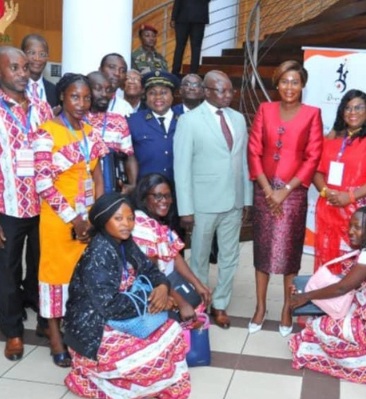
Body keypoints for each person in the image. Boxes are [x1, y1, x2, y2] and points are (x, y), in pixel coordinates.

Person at [0, 46, 52, 360]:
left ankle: (45, 319)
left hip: (45, 207)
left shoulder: (43, 109)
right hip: (6, 209)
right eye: (13, 67)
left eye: (25, 67)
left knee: (43, 269)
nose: (22, 74)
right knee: (5, 273)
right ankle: (13, 331)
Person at [64, 193, 191, 399]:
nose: (127, 224)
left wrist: (161, 288)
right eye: (119, 219)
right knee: (146, 358)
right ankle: (100, 378)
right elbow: (109, 306)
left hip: (122, 316)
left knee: (173, 331)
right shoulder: (98, 253)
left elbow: (151, 270)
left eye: (130, 218)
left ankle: (144, 386)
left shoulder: (125, 242)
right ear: (103, 221)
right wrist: (153, 301)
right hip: (94, 330)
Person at [34, 73, 108, 367]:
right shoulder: (45, 133)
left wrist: (96, 218)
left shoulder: (92, 132)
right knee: (55, 278)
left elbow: (98, 177)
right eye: (75, 96)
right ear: (62, 96)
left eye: (87, 97)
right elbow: (43, 184)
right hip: (58, 220)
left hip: (88, 220)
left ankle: (80, 331)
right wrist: (75, 220)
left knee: (84, 280)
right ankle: (55, 338)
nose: (82, 103)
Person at [289, 206, 366, 383]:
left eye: (357, 227)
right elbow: (345, 285)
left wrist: (305, 296)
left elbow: (342, 288)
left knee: (318, 327)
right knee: (325, 320)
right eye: (350, 226)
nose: (350, 231)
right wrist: (306, 290)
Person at [247, 60, 323, 336]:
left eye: (295, 82)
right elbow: (253, 150)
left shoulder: (312, 114)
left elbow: (313, 156)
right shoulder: (265, 110)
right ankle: (260, 307)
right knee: (263, 252)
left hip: (293, 194)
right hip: (265, 190)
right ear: (277, 85)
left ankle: (287, 308)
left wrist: (285, 190)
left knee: (289, 255)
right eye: (284, 82)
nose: (289, 87)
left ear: (302, 85)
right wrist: (268, 190)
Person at [174, 70, 252, 329]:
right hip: (203, 204)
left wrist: (247, 198)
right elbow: (181, 167)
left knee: (230, 257)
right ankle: (199, 304)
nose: (228, 95)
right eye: (222, 91)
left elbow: (242, 161)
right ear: (207, 92)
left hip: (234, 202)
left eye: (230, 90)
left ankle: (220, 304)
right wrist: (186, 209)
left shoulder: (238, 119)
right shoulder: (190, 121)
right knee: (199, 258)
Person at [313, 89, 366, 274]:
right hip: (327, 208)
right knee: (326, 262)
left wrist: (350, 196)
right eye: (348, 108)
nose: (353, 112)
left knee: (351, 265)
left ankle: (348, 301)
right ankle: (324, 300)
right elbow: (317, 171)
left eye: (359, 107)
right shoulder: (332, 139)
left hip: (357, 212)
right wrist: (325, 192)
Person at [131, 173, 212, 310]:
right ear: (144, 198)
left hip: (167, 281)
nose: (164, 201)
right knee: (192, 316)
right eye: (157, 196)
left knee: (196, 302)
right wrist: (181, 303)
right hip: (149, 291)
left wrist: (198, 284)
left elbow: (174, 255)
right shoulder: (142, 225)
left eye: (168, 196)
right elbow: (151, 274)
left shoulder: (157, 221)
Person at [86, 71, 137, 194]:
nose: (104, 94)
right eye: (98, 89)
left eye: (108, 90)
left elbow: (129, 155)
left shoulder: (119, 120)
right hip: (79, 190)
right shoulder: (75, 120)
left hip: (111, 189)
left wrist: (132, 184)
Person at [128, 70, 181, 181]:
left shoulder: (184, 121)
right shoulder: (133, 121)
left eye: (163, 92)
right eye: (152, 93)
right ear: (145, 96)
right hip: (145, 191)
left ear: (172, 95)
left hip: (178, 191)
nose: (158, 97)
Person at [171, 0, 210, 75]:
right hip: (199, 16)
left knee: (180, 47)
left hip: (182, 16)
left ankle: (175, 72)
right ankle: (194, 73)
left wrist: (173, 17)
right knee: (196, 48)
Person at [21, 34, 56, 107]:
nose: (37, 58)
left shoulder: (55, 91)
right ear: (21, 54)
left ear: (47, 57)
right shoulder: (11, 86)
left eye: (42, 54)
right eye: (31, 53)